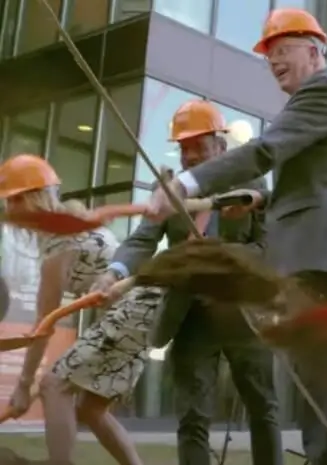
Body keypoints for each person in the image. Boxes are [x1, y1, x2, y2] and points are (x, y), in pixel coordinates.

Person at [142, 8, 327, 465]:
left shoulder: (323, 92)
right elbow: (325, 182)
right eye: (269, 54)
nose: (273, 60)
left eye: (283, 50)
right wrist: (260, 202)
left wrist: (186, 184)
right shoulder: (323, 99)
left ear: (315, 52)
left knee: (321, 403)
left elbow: (265, 151)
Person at [91, 100, 280, 465]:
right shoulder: (169, 190)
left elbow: (268, 247)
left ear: (221, 147)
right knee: (192, 416)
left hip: (244, 315)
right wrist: (114, 271)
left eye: (199, 146)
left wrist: (221, 258)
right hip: (189, 316)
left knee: (263, 408)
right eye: (184, 147)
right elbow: (143, 239)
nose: (190, 155)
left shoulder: (251, 185)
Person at [0, 155, 146, 465]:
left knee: (53, 385)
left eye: (14, 201)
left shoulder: (60, 243)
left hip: (133, 312)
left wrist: (25, 386)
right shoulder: (73, 226)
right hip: (141, 314)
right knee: (91, 410)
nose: (10, 212)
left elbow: (45, 323)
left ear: (34, 198)